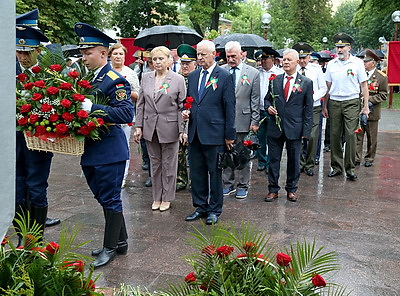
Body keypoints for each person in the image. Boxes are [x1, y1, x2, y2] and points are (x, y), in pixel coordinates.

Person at [74, 23, 134, 268]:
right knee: (103, 197)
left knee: (110, 199)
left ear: (103, 53)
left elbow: (125, 113)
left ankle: (110, 248)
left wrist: (93, 109)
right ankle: (121, 241)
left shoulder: (114, 80)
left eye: (88, 53)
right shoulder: (89, 78)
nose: (84, 57)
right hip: (92, 150)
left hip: (110, 151)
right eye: (83, 53)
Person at [15, 9, 61, 230]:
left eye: (27, 52)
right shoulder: (9, 70)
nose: (23, 57)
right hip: (13, 142)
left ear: (37, 50)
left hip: (38, 141)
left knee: (36, 187)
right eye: (19, 52)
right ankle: (22, 235)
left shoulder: (49, 73)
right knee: (15, 188)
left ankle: (36, 238)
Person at [183, 40, 236, 225]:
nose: (199, 58)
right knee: (197, 172)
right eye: (198, 54)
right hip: (195, 131)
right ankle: (200, 206)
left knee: (214, 172)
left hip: (214, 133)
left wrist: (230, 135)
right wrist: (186, 110)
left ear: (214, 54)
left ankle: (214, 209)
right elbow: (190, 100)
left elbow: (230, 107)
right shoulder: (194, 75)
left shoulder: (224, 76)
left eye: (203, 54)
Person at [134, 46, 186, 212]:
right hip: (150, 127)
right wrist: (139, 126)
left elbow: (182, 107)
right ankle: (157, 196)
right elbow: (140, 104)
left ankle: (167, 197)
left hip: (170, 126)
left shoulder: (178, 79)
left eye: (161, 59)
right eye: (154, 59)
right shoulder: (146, 77)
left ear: (169, 60)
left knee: (169, 165)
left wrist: (182, 129)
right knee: (154, 164)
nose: (157, 62)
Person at [264, 49, 313, 202]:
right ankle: (273, 189)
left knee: (294, 161)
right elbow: (267, 99)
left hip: (295, 128)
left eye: (289, 60)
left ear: (297, 62)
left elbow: (308, 109)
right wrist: (268, 108)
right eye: (284, 59)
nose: (285, 62)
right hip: (275, 127)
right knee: (273, 160)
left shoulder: (306, 83)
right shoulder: (275, 80)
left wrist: (306, 130)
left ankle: (291, 189)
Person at [322, 33, 370, 181]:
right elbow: (327, 87)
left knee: (350, 134)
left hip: (351, 102)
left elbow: (364, 85)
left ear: (349, 47)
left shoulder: (357, 63)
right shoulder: (331, 64)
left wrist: (366, 106)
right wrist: (324, 106)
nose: (339, 50)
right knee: (335, 135)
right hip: (335, 102)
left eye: (342, 47)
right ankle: (336, 166)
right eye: (338, 47)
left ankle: (350, 168)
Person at [221, 41, 260, 199]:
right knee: (226, 154)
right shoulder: (221, 71)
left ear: (241, 55)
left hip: (244, 119)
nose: (231, 59)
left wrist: (255, 121)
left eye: (234, 56)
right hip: (224, 121)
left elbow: (255, 99)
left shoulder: (252, 73)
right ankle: (227, 184)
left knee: (243, 154)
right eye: (228, 56)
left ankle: (243, 185)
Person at [292, 42, 327, 176]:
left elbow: (323, 88)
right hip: (298, 108)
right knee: (299, 136)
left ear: (309, 57)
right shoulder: (293, 69)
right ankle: (299, 163)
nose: (302, 61)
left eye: (304, 58)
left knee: (312, 136)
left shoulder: (316, 69)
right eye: (299, 58)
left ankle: (310, 163)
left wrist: (312, 99)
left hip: (314, 107)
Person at [109, 43, 140, 188]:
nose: (118, 56)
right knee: (107, 145)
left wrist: (125, 92)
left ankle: (122, 176)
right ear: (110, 56)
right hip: (107, 115)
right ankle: (109, 175)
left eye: (121, 54)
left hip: (124, 116)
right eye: (115, 53)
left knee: (123, 146)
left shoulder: (130, 73)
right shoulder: (105, 71)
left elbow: (138, 95)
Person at [356, 49, 388, 167]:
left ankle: (369, 158)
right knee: (358, 135)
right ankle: (356, 157)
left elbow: (383, 94)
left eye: (366, 61)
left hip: (372, 111)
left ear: (373, 62)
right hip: (359, 110)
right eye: (363, 61)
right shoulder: (360, 74)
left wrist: (368, 100)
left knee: (371, 137)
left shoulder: (381, 77)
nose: (364, 63)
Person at [256, 47, 284, 173]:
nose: (262, 61)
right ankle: (261, 161)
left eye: (265, 59)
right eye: (261, 59)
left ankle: (270, 163)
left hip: (273, 111)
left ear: (272, 59)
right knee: (260, 137)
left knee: (272, 139)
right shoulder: (257, 73)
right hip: (259, 109)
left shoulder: (278, 73)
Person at [176, 44, 197, 191]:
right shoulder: (176, 79)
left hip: (195, 121)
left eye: (188, 63)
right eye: (183, 63)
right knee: (178, 153)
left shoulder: (197, 79)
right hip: (178, 120)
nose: (185, 66)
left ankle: (195, 181)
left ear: (194, 64)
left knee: (195, 154)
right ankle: (180, 179)